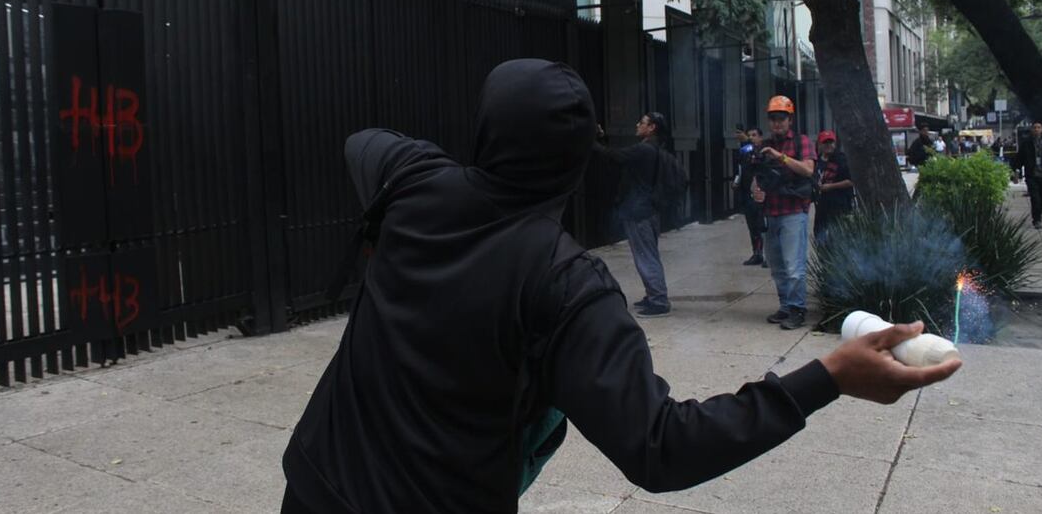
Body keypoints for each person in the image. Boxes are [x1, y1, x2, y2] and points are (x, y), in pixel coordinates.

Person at [280, 59, 961, 513]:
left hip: (316, 485)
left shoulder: (413, 182)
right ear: (577, 165)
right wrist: (827, 379)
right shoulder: (565, 284)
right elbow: (661, 446)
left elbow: (363, 140)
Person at [594, 112, 672, 317]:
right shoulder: (653, 149)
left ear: (652, 127)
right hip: (648, 210)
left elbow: (613, 157)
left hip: (640, 212)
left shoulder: (644, 149)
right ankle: (653, 294)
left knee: (646, 257)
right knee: (647, 254)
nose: (637, 124)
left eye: (642, 122)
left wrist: (590, 141)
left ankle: (659, 300)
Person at [750, 96, 815, 330]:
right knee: (777, 266)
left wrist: (782, 157)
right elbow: (758, 178)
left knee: (794, 265)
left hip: (794, 211)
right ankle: (786, 306)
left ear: (790, 119)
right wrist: (756, 192)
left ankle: (798, 309)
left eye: (781, 119)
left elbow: (808, 170)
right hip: (771, 211)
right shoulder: (763, 145)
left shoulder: (801, 141)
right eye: (773, 119)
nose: (777, 123)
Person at [733, 127, 767, 266]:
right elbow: (740, 168)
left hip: (761, 193)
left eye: (754, 135)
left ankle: (768, 255)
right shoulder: (745, 152)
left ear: (761, 137)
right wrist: (736, 182)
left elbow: (762, 164)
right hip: (747, 192)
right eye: (749, 135)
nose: (751, 138)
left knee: (763, 225)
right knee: (752, 225)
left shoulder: (764, 152)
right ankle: (757, 253)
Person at [814, 131, 854, 242]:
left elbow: (851, 181)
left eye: (831, 142)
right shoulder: (815, 161)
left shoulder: (842, 159)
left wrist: (831, 186)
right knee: (820, 238)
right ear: (819, 144)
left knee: (839, 239)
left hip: (840, 206)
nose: (828, 146)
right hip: (821, 207)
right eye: (825, 143)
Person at [1019, 122, 1042, 229]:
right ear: (1032, 130)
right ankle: (1037, 220)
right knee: (1035, 198)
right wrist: (1017, 173)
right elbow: (1019, 158)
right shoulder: (1026, 144)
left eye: (1039, 127)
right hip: (1032, 175)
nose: (1036, 129)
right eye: (1034, 127)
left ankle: (1038, 214)